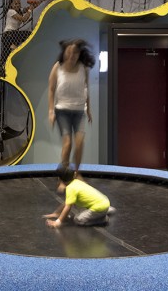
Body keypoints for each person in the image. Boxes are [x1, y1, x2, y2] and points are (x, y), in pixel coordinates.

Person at [48, 38, 95, 174]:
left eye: (75, 53)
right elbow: (51, 89)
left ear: (79, 54)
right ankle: (63, 176)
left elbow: (86, 89)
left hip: (79, 111)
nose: (71, 56)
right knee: (67, 143)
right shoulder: (58, 67)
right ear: (64, 53)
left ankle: (76, 173)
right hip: (62, 111)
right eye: (68, 53)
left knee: (79, 143)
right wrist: (51, 111)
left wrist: (89, 109)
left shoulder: (83, 69)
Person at [44, 164, 115, 228]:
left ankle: (103, 218)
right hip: (104, 201)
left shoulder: (71, 188)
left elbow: (68, 207)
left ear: (59, 179)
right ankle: (107, 210)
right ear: (74, 174)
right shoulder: (76, 181)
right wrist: (57, 213)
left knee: (78, 219)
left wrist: (58, 222)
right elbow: (67, 202)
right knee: (77, 205)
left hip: (99, 207)